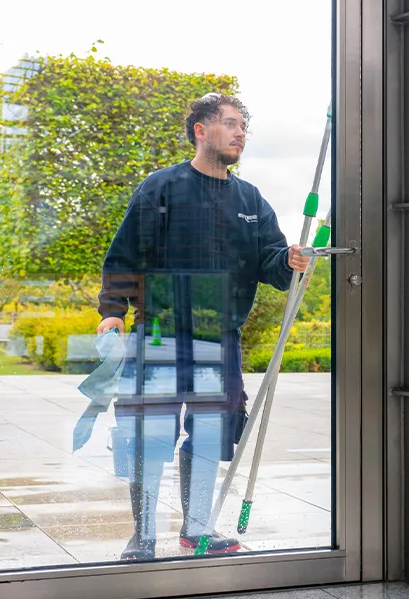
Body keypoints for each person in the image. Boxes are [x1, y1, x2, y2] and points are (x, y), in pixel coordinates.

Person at [97, 92, 309, 560]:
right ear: (200, 130)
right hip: (160, 329)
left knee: (212, 432)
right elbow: (124, 253)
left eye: (243, 127)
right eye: (230, 124)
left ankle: (196, 530)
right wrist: (112, 309)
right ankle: (144, 534)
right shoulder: (161, 188)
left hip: (220, 336)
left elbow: (270, 263)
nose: (240, 134)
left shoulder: (250, 199)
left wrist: (289, 260)